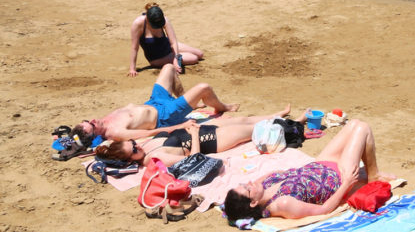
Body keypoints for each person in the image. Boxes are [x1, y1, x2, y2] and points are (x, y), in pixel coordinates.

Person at [223, 119, 395, 223]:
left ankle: (371, 173)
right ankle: (373, 176)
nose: (250, 182)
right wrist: (347, 184)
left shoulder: (263, 187)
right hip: (338, 178)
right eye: (247, 188)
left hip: (320, 164)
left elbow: (264, 177)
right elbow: (323, 210)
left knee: (353, 124)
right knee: (362, 128)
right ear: (253, 203)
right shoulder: (281, 204)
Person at [73, 63, 239, 143]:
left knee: (169, 67)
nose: (94, 120)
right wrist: (179, 127)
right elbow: (148, 134)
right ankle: (223, 107)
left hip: (155, 101)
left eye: (88, 120)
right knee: (204, 88)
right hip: (166, 115)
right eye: (92, 125)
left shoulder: (102, 122)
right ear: (96, 134)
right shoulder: (115, 133)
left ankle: (188, 101)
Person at [95, 105, 294, 167]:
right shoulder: (156, 159)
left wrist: (184, 126)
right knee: (254, 130)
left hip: (193, 130)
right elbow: (193, 160)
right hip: (209, 141)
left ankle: (276, 115)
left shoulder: (141, 147)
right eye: (134, 150)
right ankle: (294, 125)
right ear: (131, 160)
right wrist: (196, 135)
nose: (137, 146)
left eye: (133, 144)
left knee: (242, 119)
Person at [128, 3, 204, 77]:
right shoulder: (137, 24)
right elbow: (134, 48)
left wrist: (176, 58)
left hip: (167, 45)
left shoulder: (163, 19)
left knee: (200, 54)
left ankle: (178, 57)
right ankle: (178, 58)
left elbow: (173, 41)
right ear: (147, 18)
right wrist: (132, 68)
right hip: (158, 57)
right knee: (194, 58)